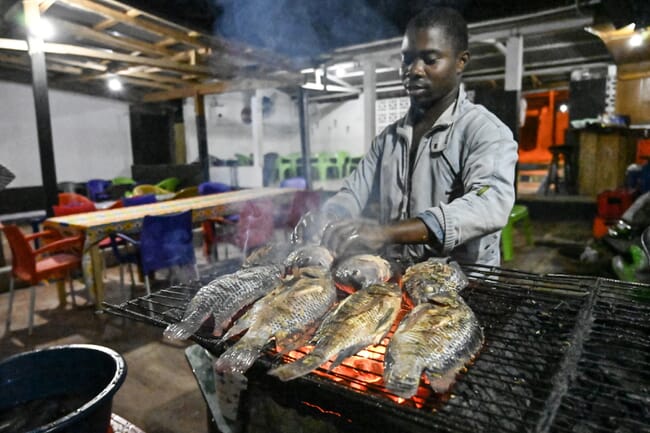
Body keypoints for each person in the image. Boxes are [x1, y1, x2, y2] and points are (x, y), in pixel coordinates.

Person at [295, 6, 518, 266]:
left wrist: (385, 233)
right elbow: (353, 193)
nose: (414, 70)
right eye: (407, 59)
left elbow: (489, 203)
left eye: (430, 59)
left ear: (461, 61)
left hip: (462, 285)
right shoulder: (388, 139)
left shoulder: (485, 131)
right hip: (400, 276)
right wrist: (330, 215)